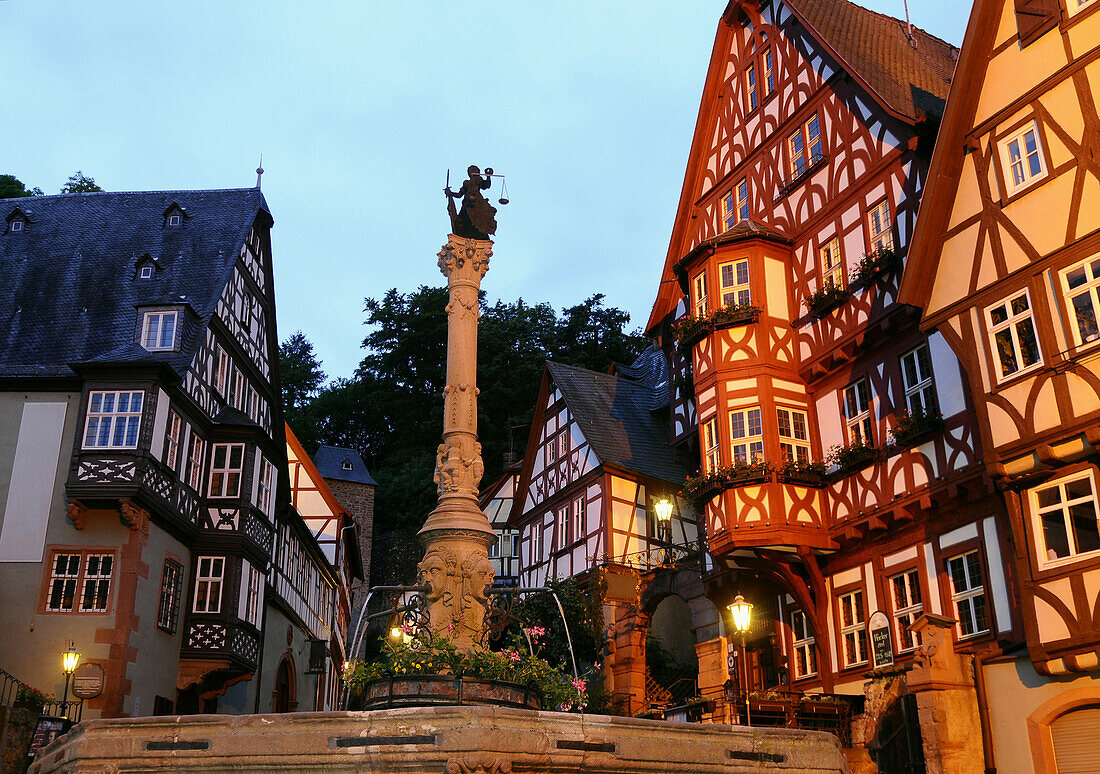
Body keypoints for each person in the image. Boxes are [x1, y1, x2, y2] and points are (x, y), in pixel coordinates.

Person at [445, 165, 497, 239]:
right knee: (462, 219)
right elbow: (460, 194)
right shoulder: (466, 183)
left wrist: (488, 176)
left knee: (478, 215)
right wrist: (450, 193)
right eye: (470, 171)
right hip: (467, 202)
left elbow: (486, 185)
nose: (472, 172)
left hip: (476, 201)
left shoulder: (478, 179)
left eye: (474, 170)